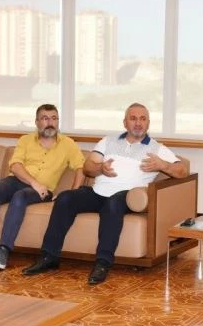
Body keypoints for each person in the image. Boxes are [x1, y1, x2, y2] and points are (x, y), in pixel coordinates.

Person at [22, 102, 187, 284]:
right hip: (98, 192)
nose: (138, 123)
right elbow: (88, 167)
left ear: (148, 123)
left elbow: (183, 171)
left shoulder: (157, 148)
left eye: (143, 119)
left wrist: (163, 165)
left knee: (113, 203)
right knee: (65, 198)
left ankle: (103, 263)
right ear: (125, 123)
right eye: (133, 118)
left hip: (127, 196)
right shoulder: (108, 141)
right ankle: (49, 257)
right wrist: (100, 168)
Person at [0, 104, 85, 270]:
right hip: (17, 180)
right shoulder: (25, 140)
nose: (50, 122)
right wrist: (34, 183)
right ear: (37, 122)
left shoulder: (68, 144)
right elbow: (15, 166)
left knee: (20, 197)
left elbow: (81, 168)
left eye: (54, 118)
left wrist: (73, 193)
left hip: (44, 190)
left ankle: (4, 249)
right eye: (45, 118)